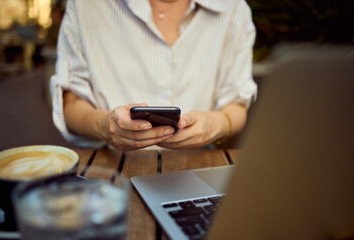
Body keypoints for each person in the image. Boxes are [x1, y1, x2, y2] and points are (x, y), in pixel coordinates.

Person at [51, 0, 257, 151]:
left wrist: (214, 125)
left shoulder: (234, 10)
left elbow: (237, 104)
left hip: (197, 168)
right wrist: (105, 126)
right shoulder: (85, 6)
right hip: (109, 173)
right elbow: (71, 102)